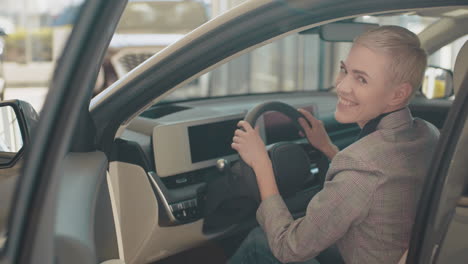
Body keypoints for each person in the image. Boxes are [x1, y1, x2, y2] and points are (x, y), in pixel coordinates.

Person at [229, 25, 440, 264]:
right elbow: (370, 183)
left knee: (259, 242)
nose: (341, 86)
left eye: (361, 79)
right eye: (344, 70)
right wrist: (328, 149)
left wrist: (261, 165)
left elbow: (289, 248)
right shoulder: (427, 133)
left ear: (397, 94)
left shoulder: (360, 169)